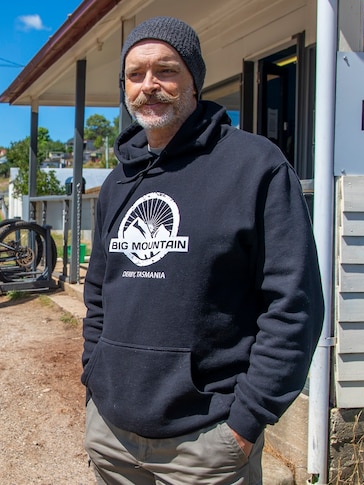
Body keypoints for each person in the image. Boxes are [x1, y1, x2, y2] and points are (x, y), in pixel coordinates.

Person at [81, 16, 324, 484]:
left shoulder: (255, 166)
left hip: (206, 443)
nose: (149, 85)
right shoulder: (117, 183)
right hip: (110, 434)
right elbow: (98, 295)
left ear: (194, 79)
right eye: (135, 74)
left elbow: (294, 304)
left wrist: (247, 421)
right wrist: (94, 379)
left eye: (165, 70)